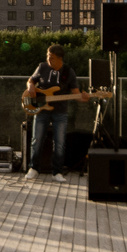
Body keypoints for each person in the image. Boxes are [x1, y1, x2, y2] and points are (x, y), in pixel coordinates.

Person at [21, 44, 90, 176]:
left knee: (59, 143)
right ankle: (33, 168)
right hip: (42, 110)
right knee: (36, 140)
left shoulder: (68, 72)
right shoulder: (42, 67)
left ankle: (57, 172)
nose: (48, 59)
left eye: (51, 57)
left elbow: (76, 93)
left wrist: (85, 98)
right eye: (47, 56)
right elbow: (31, 80)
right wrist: (30, 86)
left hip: (60, 112)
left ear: (59, 58)